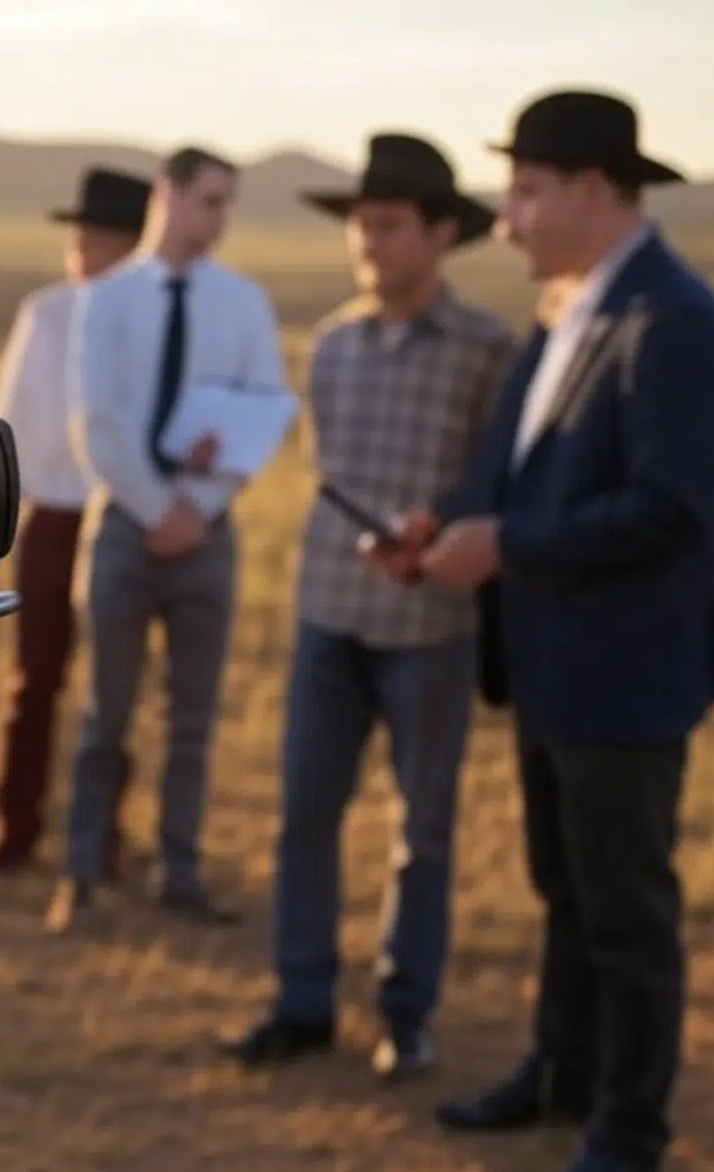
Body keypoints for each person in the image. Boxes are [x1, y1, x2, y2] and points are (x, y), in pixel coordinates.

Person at [367, 89, 714, 1172]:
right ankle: (563, 1074)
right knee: (567, 889)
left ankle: (628, 1128)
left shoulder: (674, 321)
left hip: (627, 673)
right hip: (552, 664)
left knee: (626, 910)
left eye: (525, 192)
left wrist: (505, 550)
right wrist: (442, 523)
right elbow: (513, 470)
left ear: (591, 189)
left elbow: (671, 510)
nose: (506, 218)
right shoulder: (574, 308)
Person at [219, 133, 516, 1080]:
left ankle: (406, 1012)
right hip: (328, 614)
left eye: (388, 226)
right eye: (360, 226)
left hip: (430, 629)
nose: (369, 243)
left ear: (440, 234)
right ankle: (302, 1002)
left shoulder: (488, 350)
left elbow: (498, 486)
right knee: (304, 816)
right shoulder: (333, 343)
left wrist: (442, 532)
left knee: (421, 830)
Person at [45, 146, 288, 933]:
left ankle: (180, 872)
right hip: (124, 529)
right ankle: (82, 872)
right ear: (169, 196)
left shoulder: (244, 303)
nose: (219, 220)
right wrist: (158, 512)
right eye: (209, 201)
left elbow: (263, 411)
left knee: (193, 718)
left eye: (229, 205)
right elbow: (97, 425)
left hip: (208, 534)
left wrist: (200, 505)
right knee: (104, 713)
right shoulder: (108, 301)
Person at [0, 165, 150, 875]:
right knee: (33, 678)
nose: (84, 248)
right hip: (52, 517)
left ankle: (101, 834)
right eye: (82, 235)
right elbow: (10, 417)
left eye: (101, 236)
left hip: (124, 515)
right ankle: (15, 825)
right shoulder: (46, 312)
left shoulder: (152, 320)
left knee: (115, 687)